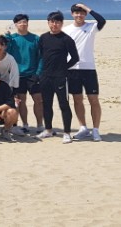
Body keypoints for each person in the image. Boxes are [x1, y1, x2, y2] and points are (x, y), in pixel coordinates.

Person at [64, 3, 108, 141]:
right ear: (72, 14)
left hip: (89, 69)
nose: (79, 15)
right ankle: (83, 127)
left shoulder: (91, 27)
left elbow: (102, 20)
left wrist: (87, 7)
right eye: (77, 13)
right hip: (72, 69)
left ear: (86, 14)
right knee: (77, 99)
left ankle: (95, 130)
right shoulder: (66, 30)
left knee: (93, 99)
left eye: (82, 13)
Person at [37, 11, 80, 143]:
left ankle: (67, 133)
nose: (54, 24)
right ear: (48, 23)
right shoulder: (43, 38)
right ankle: (48, 130)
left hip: (60, 77)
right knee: (46, 104)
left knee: (64, 104)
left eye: (57, 22)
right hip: (45, 76)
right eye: (52, 22)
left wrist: (64, 68)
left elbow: (75, 58)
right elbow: (41, 55)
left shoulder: (66, 39)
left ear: (61, 23)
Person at [5, 14, 44, 134]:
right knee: (21, 100)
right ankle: (25, 125)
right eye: (20, 22)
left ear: (27, 23)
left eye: (24, 22)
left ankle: (40, 125)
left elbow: (41, 57)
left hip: (33, 74)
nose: (23, 24)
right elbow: (6, 54)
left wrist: (38, 73)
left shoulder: (35, 38)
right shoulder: (12, 39)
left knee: (38, 99)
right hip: (18, 75)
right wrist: (7, 39)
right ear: (15, 24)